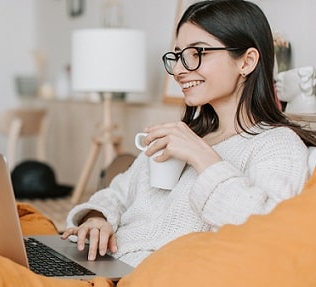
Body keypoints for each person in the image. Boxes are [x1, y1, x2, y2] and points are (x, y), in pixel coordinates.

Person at [62, 0, 316, 268]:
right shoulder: (184, 134)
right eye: (178, 56)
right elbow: (117, 193)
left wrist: (202, 157)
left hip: (146, 276)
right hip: (102, 262)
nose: (180, 70)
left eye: (197, 53)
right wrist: (97, 218)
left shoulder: (276, 145)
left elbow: (267, 231)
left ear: (247, 61)